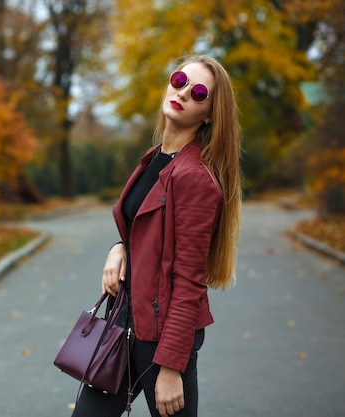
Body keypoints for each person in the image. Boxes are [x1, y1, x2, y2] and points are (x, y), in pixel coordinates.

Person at [71, 55, 242, 417]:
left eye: (199, 93)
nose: (183, 93)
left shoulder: (195, 178)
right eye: (179, 80)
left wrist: (170, 366)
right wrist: (119, 248)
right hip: (124, 325)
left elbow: (189, 281)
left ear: (209, 114)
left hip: (161, 340)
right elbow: (144, 233)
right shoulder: (155, 159)